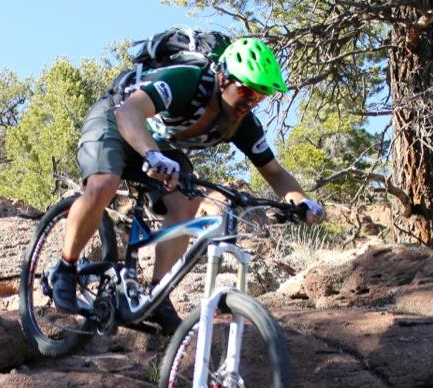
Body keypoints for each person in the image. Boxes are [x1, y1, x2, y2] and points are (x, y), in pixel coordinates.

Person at [50, 37, 324, 334]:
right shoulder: (187, 80)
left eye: (260, 96)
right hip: (115, 118)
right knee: (104, 183)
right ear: (223, 78)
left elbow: (274, 172)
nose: (251, 101)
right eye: (246, 90)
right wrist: (151, 154)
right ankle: (64, 268)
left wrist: (302, 201)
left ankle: (158, 296)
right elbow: (129, 112)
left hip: (156, 143)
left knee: (186, 200)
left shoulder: (241, 122)